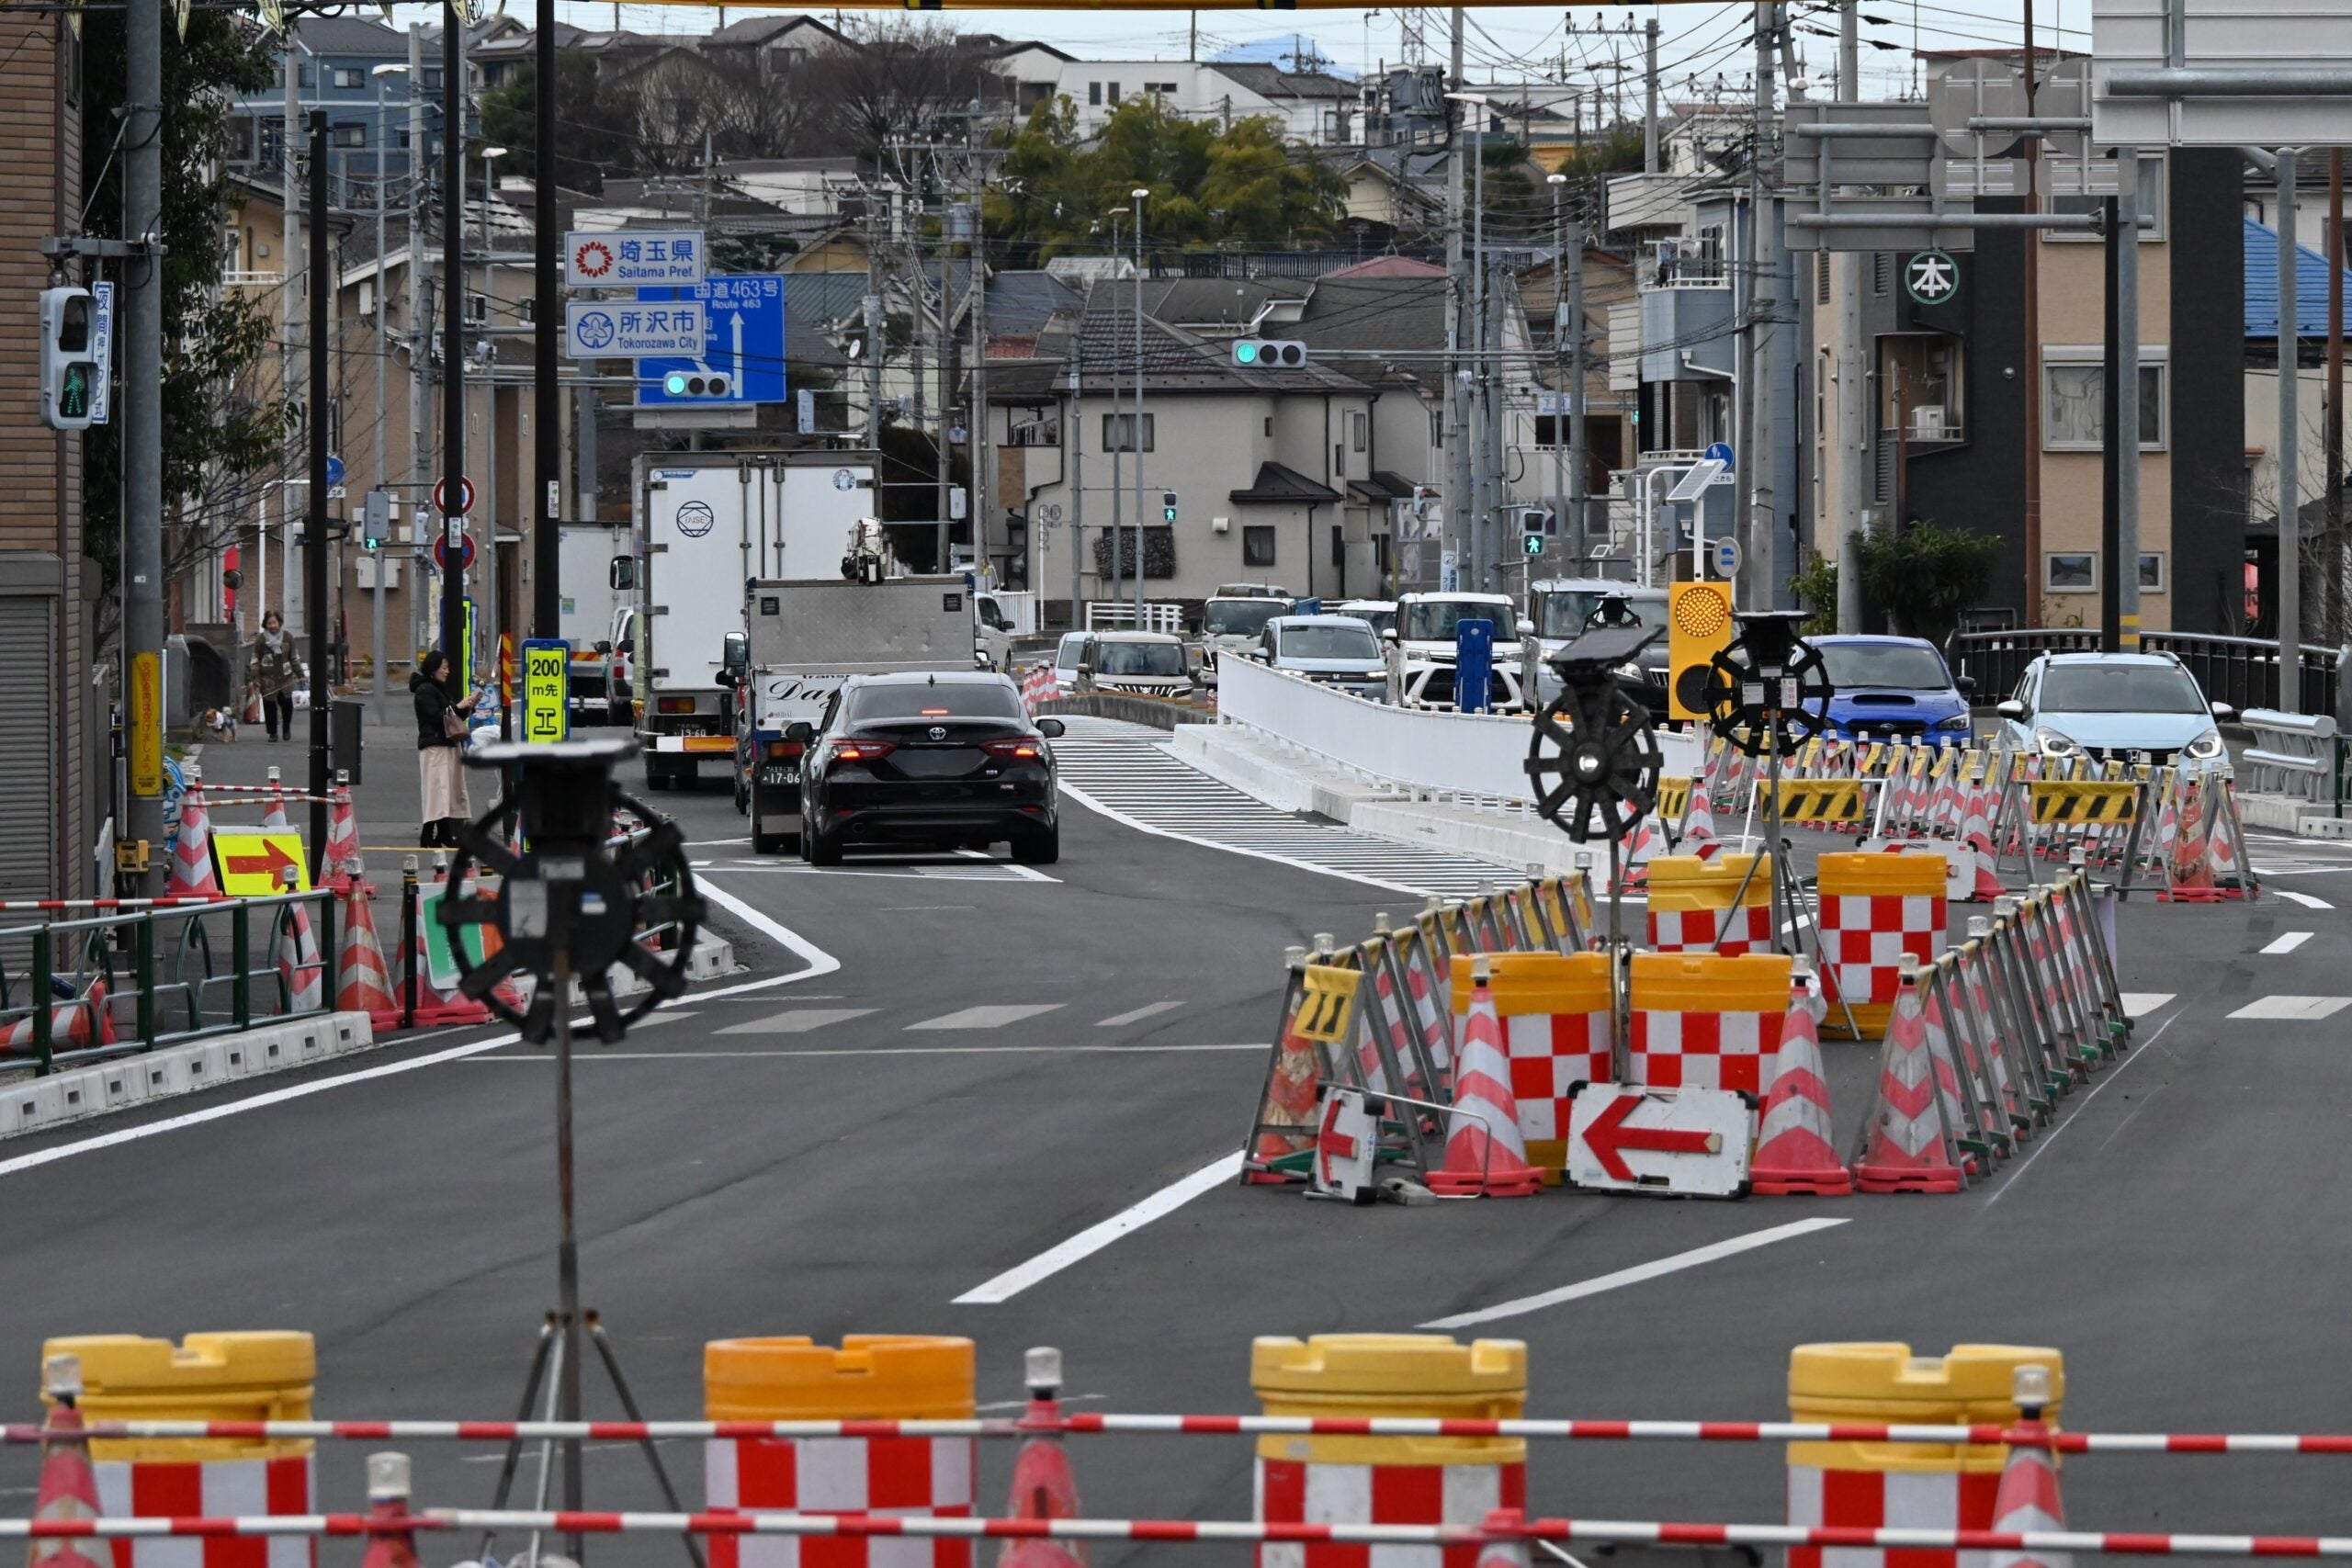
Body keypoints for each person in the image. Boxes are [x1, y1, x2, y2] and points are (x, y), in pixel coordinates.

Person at [412, 650, 477, 847]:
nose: (447, 671)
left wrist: (466, 707)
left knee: (445, 790)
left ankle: (442, 834)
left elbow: (451, 718)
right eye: (444, 667)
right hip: (435, 745)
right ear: (433, 669)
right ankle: (430, 834)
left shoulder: (437, 689)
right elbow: (438, 717)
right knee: (438, 789)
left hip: (446, 745)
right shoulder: (425, 690)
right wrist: (459, 706)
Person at [248, 611, 303, 742]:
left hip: (286, 677)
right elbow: (255, 658)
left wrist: (300, 674)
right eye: (269, 623)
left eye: (274, 622)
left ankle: (286, 729)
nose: (272, 625)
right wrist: (255, 676)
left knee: (287, 705)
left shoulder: (288, 637)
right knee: (269, 706)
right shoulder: (261, 639)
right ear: (265, 624)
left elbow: (294, 657)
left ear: (279, 623)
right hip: (268, 678)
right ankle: (272, 733)